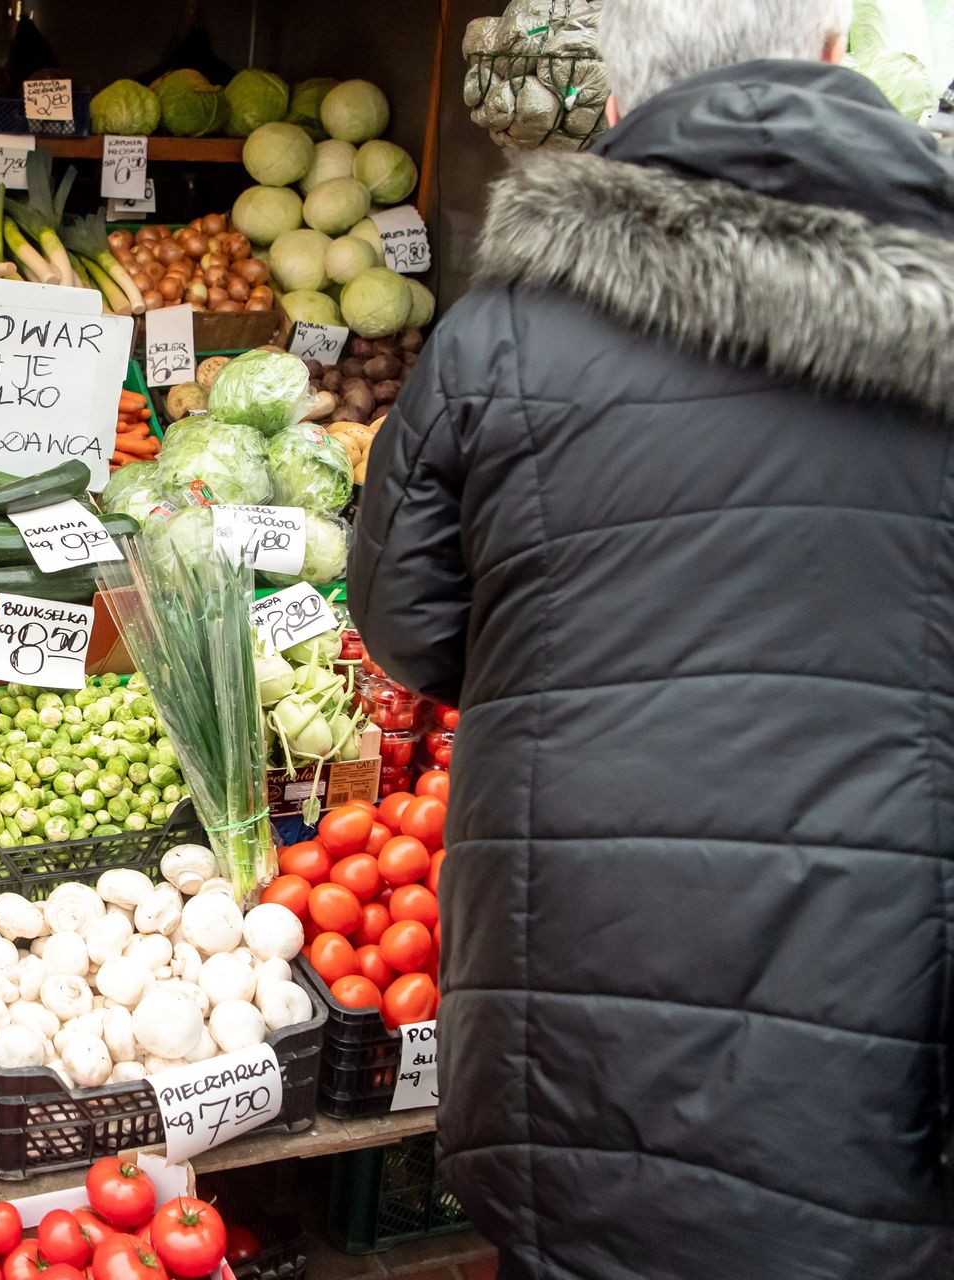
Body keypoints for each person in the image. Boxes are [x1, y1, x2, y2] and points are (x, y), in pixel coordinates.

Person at [347, 1, 954, 1276]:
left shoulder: (501, 330)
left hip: (574, 1027)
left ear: (615, 98)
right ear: (833, 54)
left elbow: (409, 623)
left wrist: (568, 671)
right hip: (882, 1027)